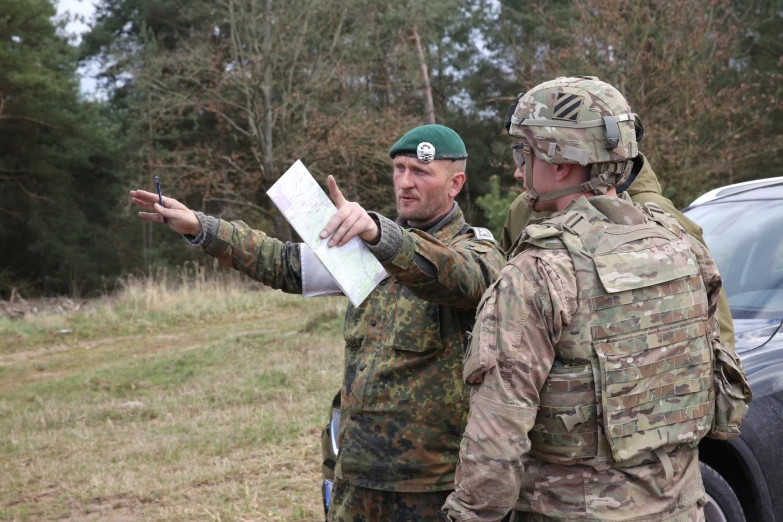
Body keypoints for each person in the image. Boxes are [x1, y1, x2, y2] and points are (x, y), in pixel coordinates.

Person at [130, 124, 506, 521]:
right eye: (399, 168)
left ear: (456, 183)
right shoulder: (365, 250)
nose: (405, 183)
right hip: (356, 475)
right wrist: (201, 228)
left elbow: (456, 277)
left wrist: (382, 235)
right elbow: (283, 263)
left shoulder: (477, 249)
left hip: (430, 486)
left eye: (421, 172)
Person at [439, 77, 751, 522]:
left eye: (523, 153)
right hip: (681, 507)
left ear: (561, 163)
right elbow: (722, 399)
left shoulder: (537, 273)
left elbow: (495, 442)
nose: (517, 171)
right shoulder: (683, 248)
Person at [501, 155, 736, 349]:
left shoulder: (652, 212)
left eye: (526, 154)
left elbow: (716, 324)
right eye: (520, 153)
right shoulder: (525, 209)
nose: (518, 171)